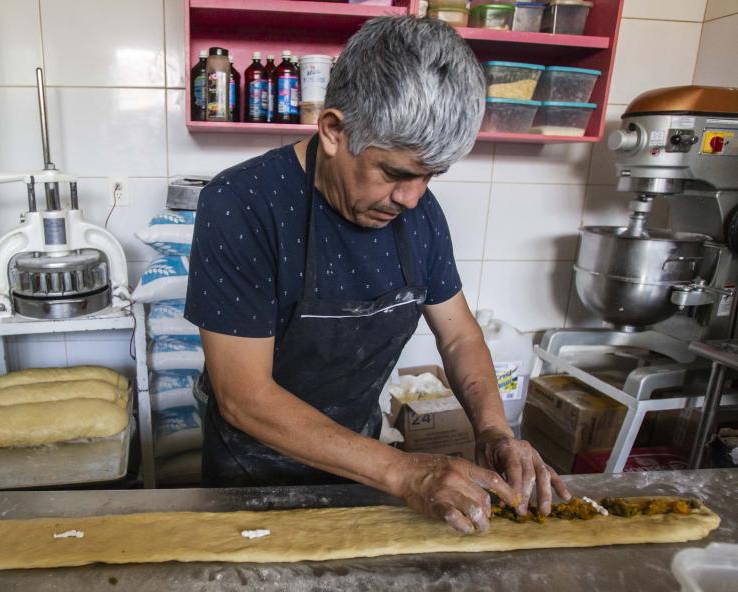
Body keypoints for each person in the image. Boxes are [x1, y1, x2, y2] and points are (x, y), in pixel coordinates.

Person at [184, 16, 570, 534]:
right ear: (334, 130)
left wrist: (496, 432)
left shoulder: (421, 214)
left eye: (430, 176)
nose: (412, 198)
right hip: (252, 479)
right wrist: (407, 473)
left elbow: (458, 337)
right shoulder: (242, 205)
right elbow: (242, 395)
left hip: (360, 469)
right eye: (395, 174)